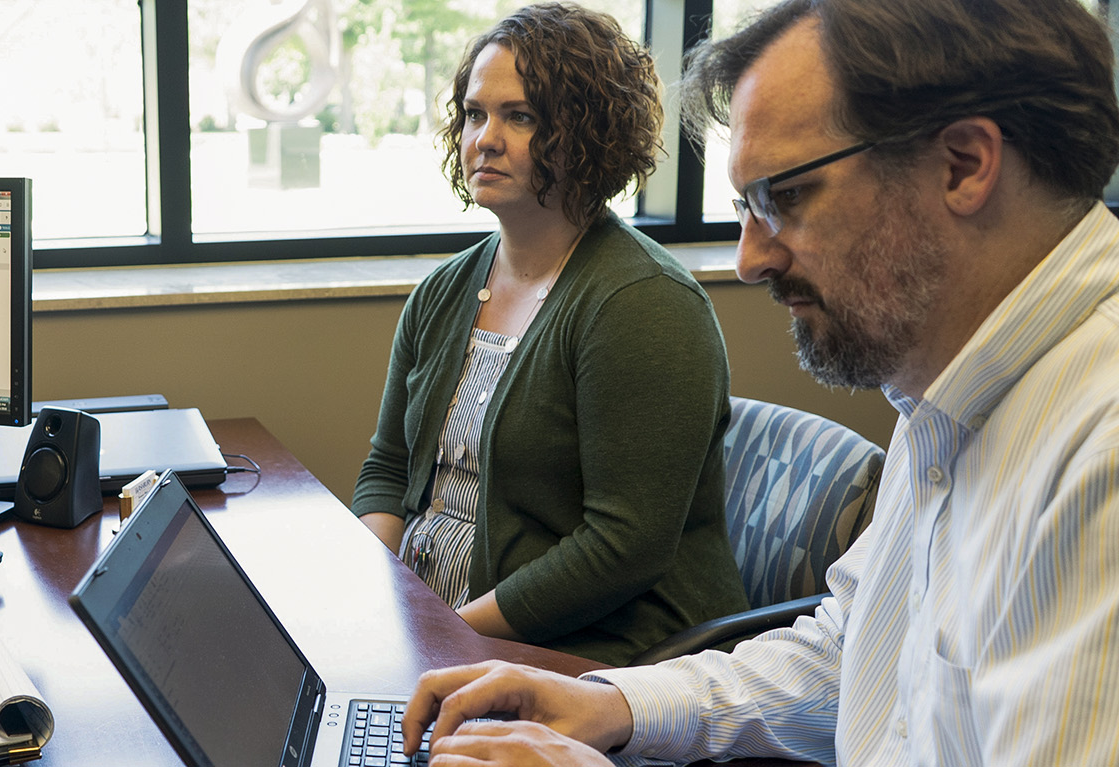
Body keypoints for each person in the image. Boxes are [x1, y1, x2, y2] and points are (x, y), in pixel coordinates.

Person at [399, 0, 1119, 764]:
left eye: (786, 196)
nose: (750, 259)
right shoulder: (946, 390)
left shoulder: (1096, 447)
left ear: (964, 164)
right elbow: (847, 653)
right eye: (746, 205)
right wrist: (614, 703)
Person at [352, 2, 747, 666]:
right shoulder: (443, 293)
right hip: (440, 628)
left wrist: (448, 634)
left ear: (589, 133)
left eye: (521, 116)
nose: (485, 138)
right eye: (476, 114)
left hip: (601, 652)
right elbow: (390, 469)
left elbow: (621, 547)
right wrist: (375, 594)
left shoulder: (644, 304)